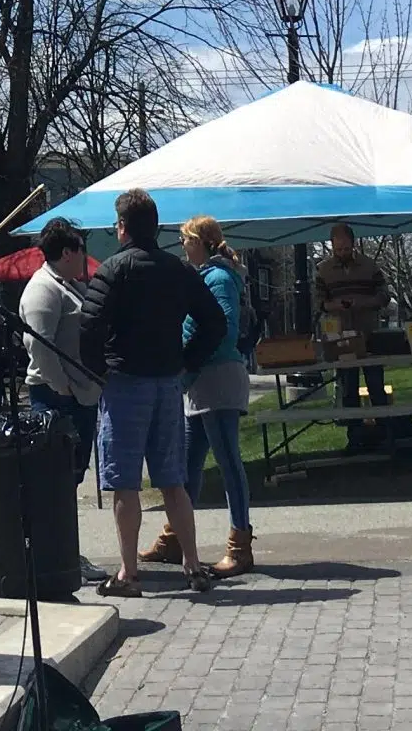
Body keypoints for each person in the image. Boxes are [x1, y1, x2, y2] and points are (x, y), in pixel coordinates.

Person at [82, 189, 227, 596]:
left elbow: (90, 327)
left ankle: (129, 572)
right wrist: (187, 360)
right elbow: (214, 322)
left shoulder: (112, 270)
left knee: (125, 484)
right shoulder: (178, 271)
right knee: (173, 481)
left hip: (124, 382)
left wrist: (96, 371)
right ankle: (194, 566)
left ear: (123, 227)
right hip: (167, 383)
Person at [178, 216, 257, 578]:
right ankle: (175, 536)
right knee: (189, 464)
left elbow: (222, 330)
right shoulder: (208, 277)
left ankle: (240, 545)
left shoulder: (220, 278)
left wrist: (188, 360)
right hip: (201, 382)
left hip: (217, 380)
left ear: (203, 242)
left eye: (187, 239)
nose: (183, 246)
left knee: (228, 463)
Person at [22, 220, 102, 482]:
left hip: (79, 395)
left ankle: (62, 524)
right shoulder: (43, 288)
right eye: (81, 248)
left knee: (72, 475)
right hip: (55, 396)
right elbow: (39, 343)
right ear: (67, 253)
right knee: (54, 478)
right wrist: (62, 387)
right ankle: (48, 525)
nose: (85, 255)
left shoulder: (71, 285)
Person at [312, 221, 397, 445]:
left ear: (353, 243)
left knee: (376, 386)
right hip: (341, 338)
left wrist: (366, 302)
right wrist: (334, 305)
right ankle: (355, 438)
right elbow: (319, 301)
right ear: (331, 246)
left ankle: (385, 436)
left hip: (369, 333)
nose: (342, 253)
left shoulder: (369, 266)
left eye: (346, 249)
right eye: (337, 250)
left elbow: (384, 295)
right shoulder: (323, 270)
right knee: (348, 389)